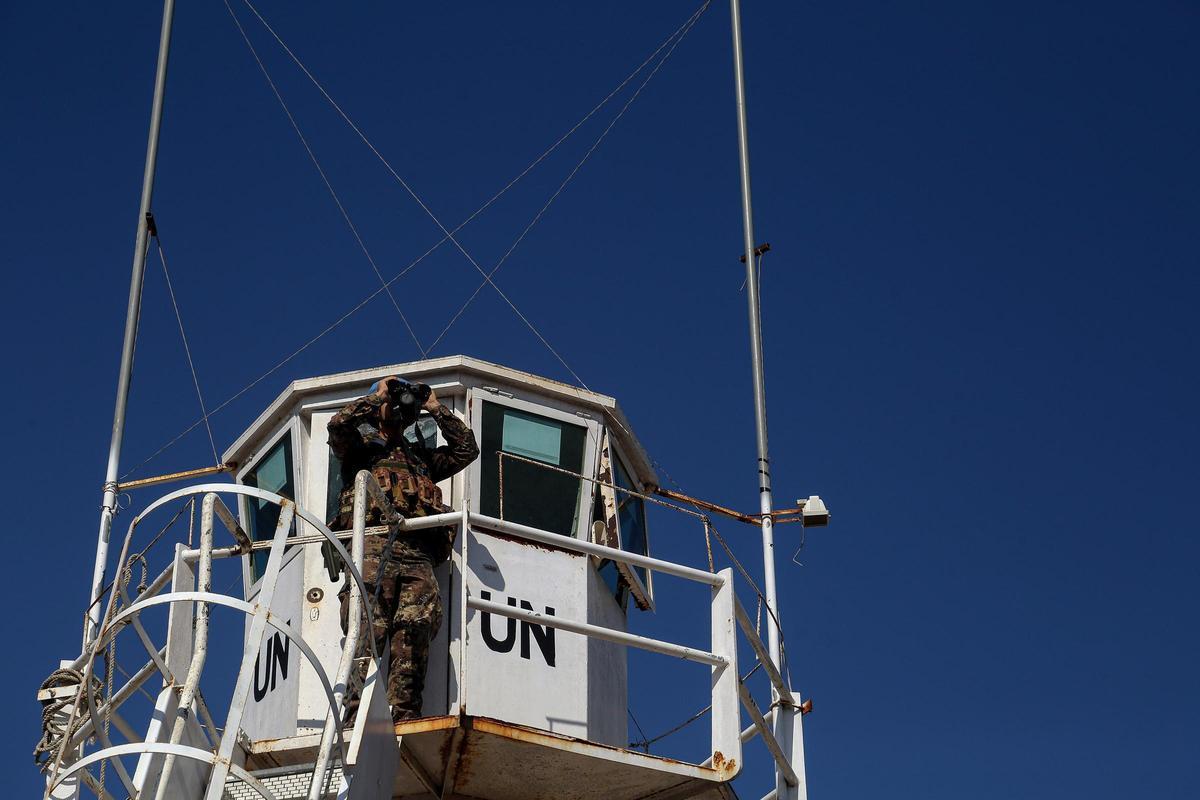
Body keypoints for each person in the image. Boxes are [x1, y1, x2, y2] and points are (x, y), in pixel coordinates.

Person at [327, 376, 479, 722]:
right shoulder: (359, 452)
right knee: (366, 628)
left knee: (415, 629)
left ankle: (404, 714)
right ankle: (352, 715)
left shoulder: (422, 461)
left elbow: (466, 450)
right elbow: (337, 424)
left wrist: (436, 408)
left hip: (417, 555)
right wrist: (377, 395)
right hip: (372, 548)